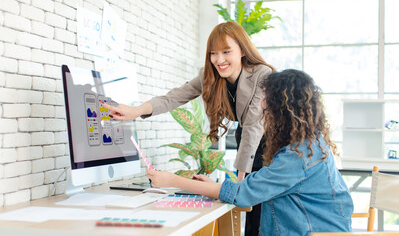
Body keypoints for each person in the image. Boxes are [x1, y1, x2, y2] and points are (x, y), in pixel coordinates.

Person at [102, 21, 274, 235]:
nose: (219, 60)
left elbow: (253, 127)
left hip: (272, 144)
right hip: (247, 139)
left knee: (262, 216)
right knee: (250, 216)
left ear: (242, 50)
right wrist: (136, 111)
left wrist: (238, 186)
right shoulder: (210, 76)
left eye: (226, 51)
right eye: (213, 53)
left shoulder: (261, 74)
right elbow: (174, 97)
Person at [147, 69, 354, 236]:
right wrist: (212, 187)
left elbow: (243, 195)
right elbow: (255, 186)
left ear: (280, 108)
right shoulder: (309, 144)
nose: (262, 105)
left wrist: (172, 180)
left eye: (266, 100)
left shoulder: (298, 156)